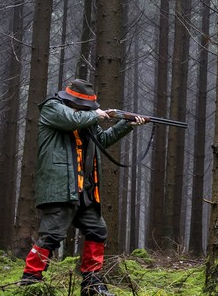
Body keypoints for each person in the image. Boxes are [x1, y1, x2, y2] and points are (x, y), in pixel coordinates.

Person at [19, 79, 146, 296]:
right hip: (60, 187)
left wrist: (126, 124)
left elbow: (102, 141)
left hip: (85, 190)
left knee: (98, 231)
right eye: (86, 106)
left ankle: (92, 284)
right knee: (51, 235)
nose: (90, 110)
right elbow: (71, 120)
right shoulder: (53, 108)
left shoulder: (85, 118)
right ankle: (30, 281)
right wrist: (95, 115)